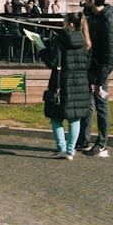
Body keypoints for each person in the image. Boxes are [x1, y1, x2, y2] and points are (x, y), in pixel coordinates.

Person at [74, 0, 113, 157]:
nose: (84, 0)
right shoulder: (93, 15)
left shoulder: (109, 21)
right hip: (90, 65)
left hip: (100, 68)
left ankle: (101, 143)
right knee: (88, 103)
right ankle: (84, 140)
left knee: (101, 104)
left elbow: (109, 54)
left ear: (92, 0)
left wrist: (100, 80)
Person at [39, 12, 92, 158]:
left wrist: (41, 50)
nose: (62, 25)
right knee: (75, 118)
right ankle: (70, 150)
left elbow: (52, 61)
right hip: (80, 82)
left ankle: (61, 148)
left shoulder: (61, 38)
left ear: (70, 24)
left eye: (64, 23)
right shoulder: (85, 39)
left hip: (61, 81)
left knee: (56, 118)